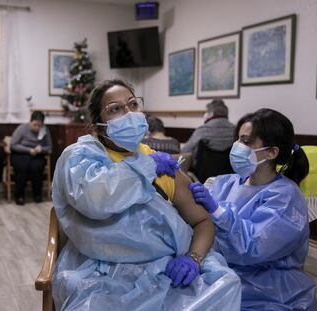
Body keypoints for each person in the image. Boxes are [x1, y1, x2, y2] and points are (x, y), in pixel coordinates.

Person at [51, 79, 241, 310]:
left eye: (133, 104)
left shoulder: (163, 165)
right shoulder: (82, 158)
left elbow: (202, 221)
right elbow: (96, 199)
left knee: (226, 284)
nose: (129, 113)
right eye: (115, 109)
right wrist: (146, 167)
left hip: (164, 269)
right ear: (98, 125)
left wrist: (193, 258)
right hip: (100, 269)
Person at [189, 108, 317, 310]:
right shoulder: (224, 183)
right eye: (238, 139)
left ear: (272, 152)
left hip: (267, 290)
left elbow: (252, 248)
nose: (237, 147)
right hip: (219, 273)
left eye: (246, 142)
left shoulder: (286, 197)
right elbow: (194, 222)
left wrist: (217, 212)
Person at [10, 111, 52, 205]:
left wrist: (41, 149)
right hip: (21, 153)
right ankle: (19, 196)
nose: (37, 127)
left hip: (37, 154)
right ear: (30, 122)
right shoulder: (21, 128)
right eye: (35, 125)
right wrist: (28, 150)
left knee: (37, 168)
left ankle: (37, 195)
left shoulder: (45, 130)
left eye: (39, 125)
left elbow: (49, 146)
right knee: (22, 168)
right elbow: (13, 145)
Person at [181, 99, 235, 167]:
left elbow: (184, 151)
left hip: (203, 174)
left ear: (210, 114)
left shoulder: (202, 130)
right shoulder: (236, 130)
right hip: (230, 173)